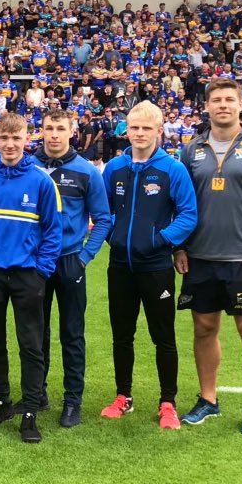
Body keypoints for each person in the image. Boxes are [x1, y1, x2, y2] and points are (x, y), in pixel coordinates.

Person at [176, 80, 242, 436]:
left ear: (241, 105)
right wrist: (179, 246)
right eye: (216, 100)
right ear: (206, 107)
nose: (222, 105)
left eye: (229, 100)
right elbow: (180, 205)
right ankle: (208, 399)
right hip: (200, 257)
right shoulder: (191, 151)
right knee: (204, 328)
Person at [0, 111, 63, 444]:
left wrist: (41, 271)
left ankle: (30, 411)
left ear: (27, 139)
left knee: (31, 345)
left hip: (27, 276)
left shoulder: (42, 180)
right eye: (4, 138)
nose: (10, 144)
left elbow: (52, 231)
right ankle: (2, 401)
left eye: (16, 138)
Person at [101, 100, 198, 430]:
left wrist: (161, 240)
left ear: (159, 130)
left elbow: (188, 214)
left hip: (156, 267)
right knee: (121, 335)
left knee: (163, 336)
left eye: (146, 128)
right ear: (126, 130)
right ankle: (123, 396)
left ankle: (167, 402)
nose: (139, 133)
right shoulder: (114, 168)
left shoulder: (173, 169)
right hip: (119, 266)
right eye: (134, 127)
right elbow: (102, 211)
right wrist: (111, 235)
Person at [30, 109, 112, 428]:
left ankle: (72, 401)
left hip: (69, 260)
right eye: (48, 128)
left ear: (71, 131)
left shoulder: (86, 172)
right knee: (36, 332)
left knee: (72, 333)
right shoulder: (29, 166)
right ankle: (38, 393)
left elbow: (103, 218)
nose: (53, 134)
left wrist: (84, 256)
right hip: (36, 262)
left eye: (59, 129)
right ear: (42, 130)